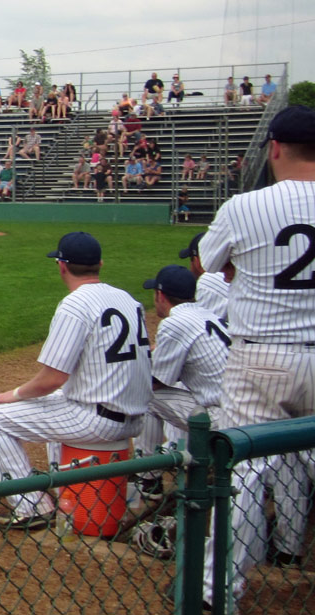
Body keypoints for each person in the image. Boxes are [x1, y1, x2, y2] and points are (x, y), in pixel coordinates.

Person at [198, 105, 315, 606]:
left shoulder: (244, 206)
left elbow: (207, 263)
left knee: (243, 474)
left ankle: (215, 591)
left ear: (274, 148)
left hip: (260, 355)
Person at [0, 232, 152, 530]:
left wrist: (14, 394)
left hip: (97, 420)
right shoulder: (128, 299)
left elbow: (52, 378)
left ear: (62, 266)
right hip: (135, 417)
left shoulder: (75, 305)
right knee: (56, 405)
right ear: (100, 264)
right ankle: (66, 495)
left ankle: (31, 507)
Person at [132, 265, 228, 502]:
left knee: (145, 395)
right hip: (239, 407)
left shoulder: (175, 323)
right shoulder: (207, 315)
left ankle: (148, 478)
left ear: (160, 295)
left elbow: (155, 382)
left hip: (219, 417)